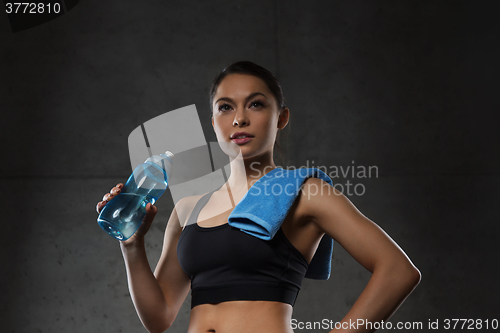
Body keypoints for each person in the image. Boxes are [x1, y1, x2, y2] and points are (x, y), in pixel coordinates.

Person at [96, 61, 421, 333]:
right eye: (226, 107)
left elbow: (398, 270)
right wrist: (132, 244)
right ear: (214, 122)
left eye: (256, 103)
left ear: (281, 117)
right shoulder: (188, 209)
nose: (239, 118)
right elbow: (159, 317)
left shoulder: (304, 192)